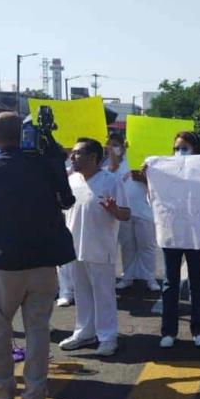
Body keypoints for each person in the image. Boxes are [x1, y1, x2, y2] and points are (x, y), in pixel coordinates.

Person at [0, 112, 76, 399]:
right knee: (38, 331)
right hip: (44, 263)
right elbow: (66, 200)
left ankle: (2, 395)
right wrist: (54, 155)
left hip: (4, 263)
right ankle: (35, 398)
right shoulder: (46, 165)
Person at [59, 138, 130, 357]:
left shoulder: (111, 180)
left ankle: (107, 337)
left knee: (103, 294)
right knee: (81, 293)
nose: (72, 156)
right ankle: (84, 332)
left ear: (93, 157)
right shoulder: (72, 180)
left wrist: (113, 209)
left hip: (100, 247)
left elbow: (126, 214)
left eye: (78, 153)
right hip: (74, 247)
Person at [158, 132, 200, 349]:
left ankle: (199, 331)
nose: (179, 152)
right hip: (172, 233)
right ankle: (169, 331)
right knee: (170, 284)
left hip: (196, 234)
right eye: (176, 148)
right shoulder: (166, 171)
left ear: (195, 149)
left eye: (184, 148)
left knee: (197, 284)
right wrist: (149, 177)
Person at [105, 132, 161, 293]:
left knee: (147, 245)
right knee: (127, 246)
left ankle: (149, 278)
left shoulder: (139, 159)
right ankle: (127, 277)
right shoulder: (108, 165)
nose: (112, 148)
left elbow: (155, 184)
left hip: (143, 209)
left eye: (115, 144)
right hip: (123, 211)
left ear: (124, 145)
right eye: (109, 145)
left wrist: (143, 178)